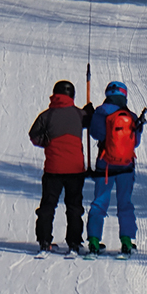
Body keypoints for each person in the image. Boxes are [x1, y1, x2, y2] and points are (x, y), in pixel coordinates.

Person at [28, 80, 92, 257]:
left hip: (53, 169)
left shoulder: (46, 116)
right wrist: (90, 111)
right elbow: (91, 123)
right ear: (72, 95)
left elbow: (33, 136)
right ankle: (73, 243)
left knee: (48, 206)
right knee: (74, 207)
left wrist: (46, 142)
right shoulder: (79, 114)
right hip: (75, 169)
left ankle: (44, 241)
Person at [87, 81, 143, 256]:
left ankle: (94, 241)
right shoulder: (131, 115)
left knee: (100, 201)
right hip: (126, 165)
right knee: (125, 202)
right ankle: (126, 241)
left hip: (105, 165)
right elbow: (136, 142)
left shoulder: (101, 112)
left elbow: (95, 134)